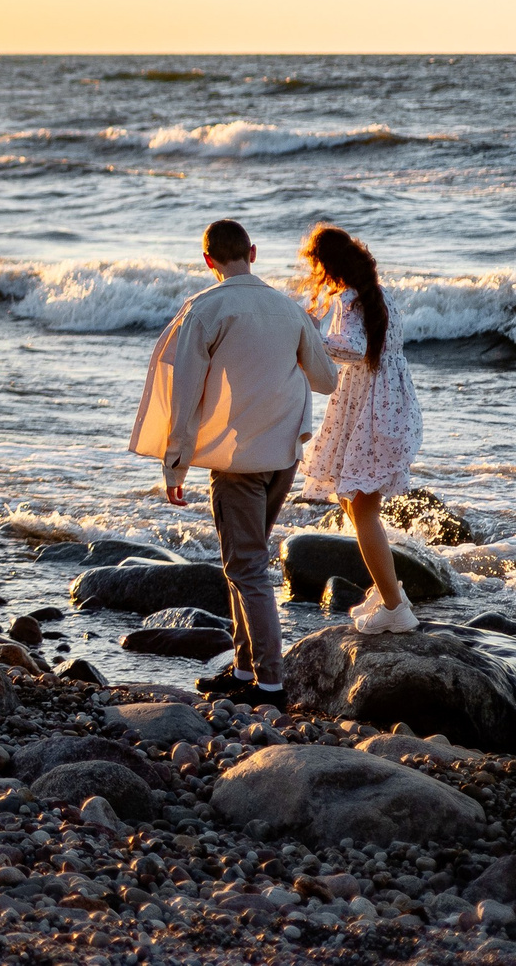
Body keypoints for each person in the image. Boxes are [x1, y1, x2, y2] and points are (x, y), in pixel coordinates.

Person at [129, 218, 339, 702]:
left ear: (208, 260)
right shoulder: (290, 310)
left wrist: (174, 464)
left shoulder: (205, 310)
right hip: (283, 458)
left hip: (239, 463)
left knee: (246, 569)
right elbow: (326, 380)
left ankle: (270, 683)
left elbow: (183, 396)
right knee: (242, 564)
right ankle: (244, 672)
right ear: (254, 252)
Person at [295, 222, 426, 634]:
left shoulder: (352, 300)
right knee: (353, 502)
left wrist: (309, 339)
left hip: (374, 412)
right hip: (384, 406)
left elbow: (353, 349)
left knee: (362, 506)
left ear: (328, 266)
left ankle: (395, 609)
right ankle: (390, 591)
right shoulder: (377, 296)